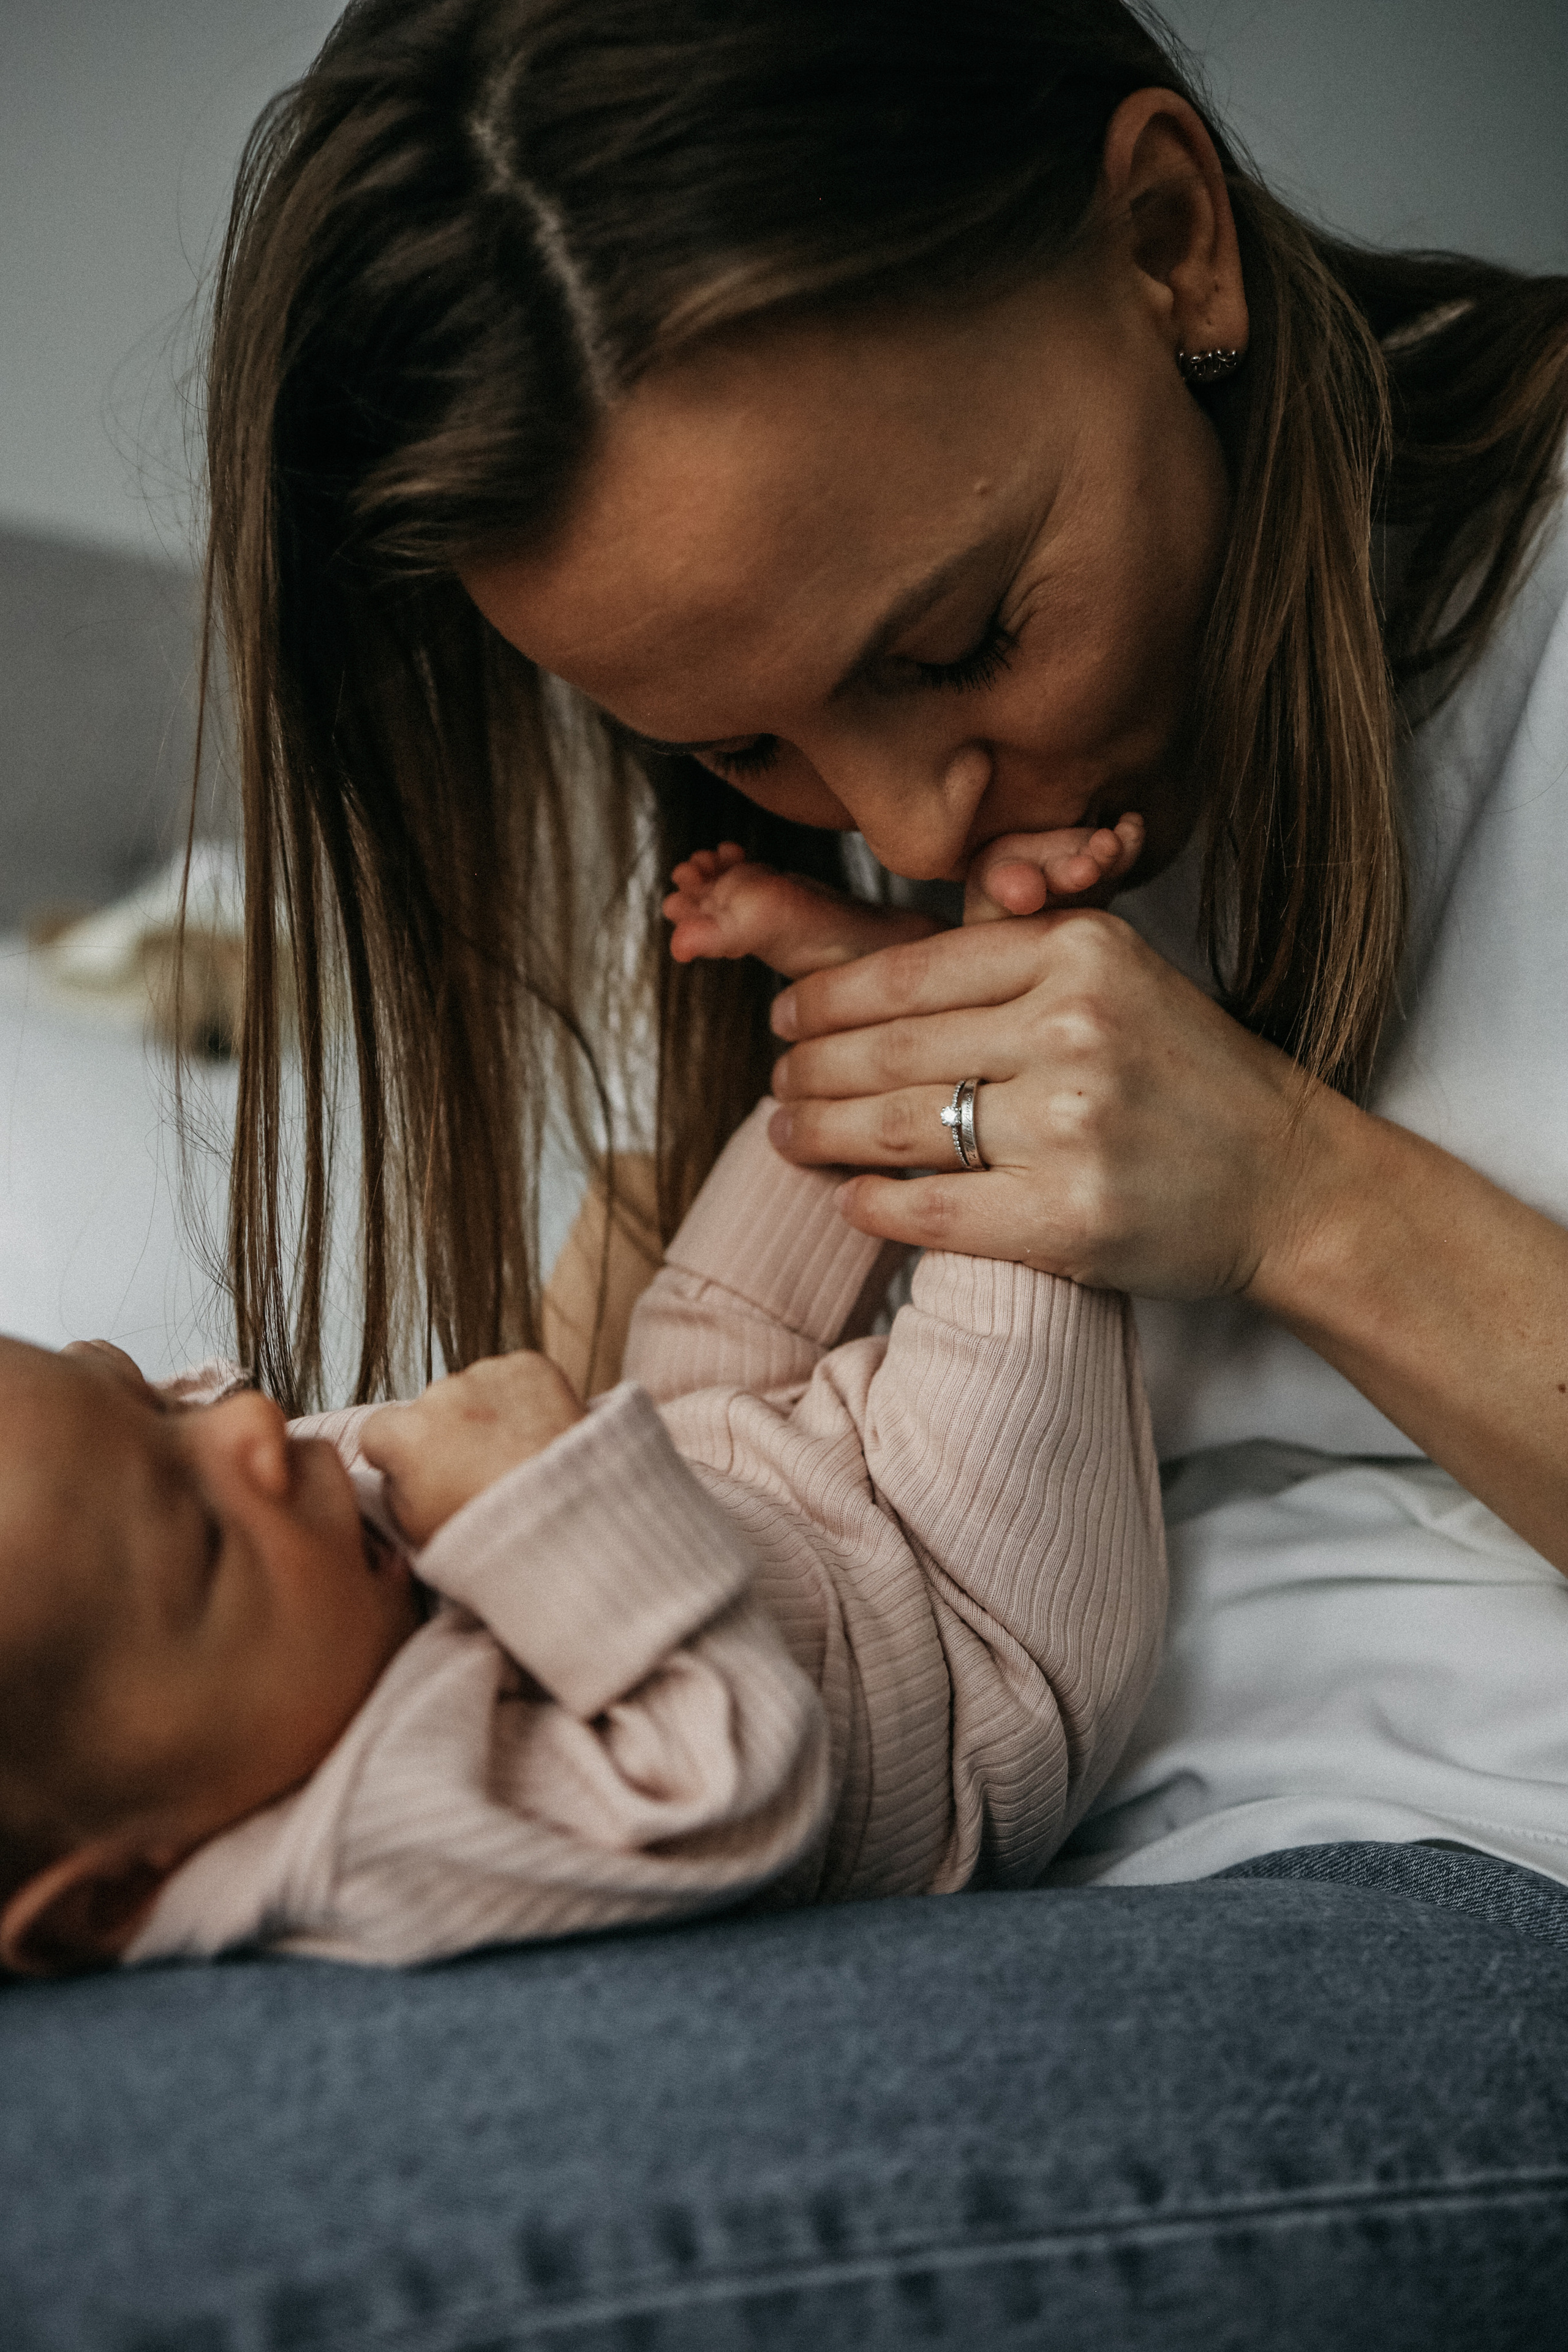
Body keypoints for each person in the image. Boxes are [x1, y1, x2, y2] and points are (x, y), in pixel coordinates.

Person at [173, 0, 1568, 2324]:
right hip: (978, 1877)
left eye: (959, 638)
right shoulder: (840, 845)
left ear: (1168, 245)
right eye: (739, 744)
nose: (916, 824)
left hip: (1475, 1876)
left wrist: (1298, 1197)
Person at [0, 823, 1162, 1975]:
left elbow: (197, 1471)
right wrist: (533, 1495)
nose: (251, 1426)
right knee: (1014, 1238)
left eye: (161, 1408)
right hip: (958, 1636)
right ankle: (998, 1026)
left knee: (698, 1321)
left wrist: (138, 1429)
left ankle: (874, 1018)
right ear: (113, 1895)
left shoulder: (246, 1641)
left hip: (737, 1494)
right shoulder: (383, 1852)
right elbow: (733, 1774)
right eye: (204, 1538)